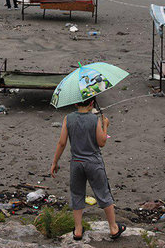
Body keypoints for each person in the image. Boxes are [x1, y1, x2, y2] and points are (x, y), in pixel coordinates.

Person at [50, 97, 126, 241]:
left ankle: (78, 229)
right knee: (103, 193)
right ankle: (113, 227)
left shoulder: (68, 118)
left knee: (77, 194)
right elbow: (102, 142)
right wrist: (105, 125)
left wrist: (55, 162)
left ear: (75, 103)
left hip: (76, 163)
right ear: (92, 103)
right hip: (93, 163)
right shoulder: (94, 119)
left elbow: (61, 143)